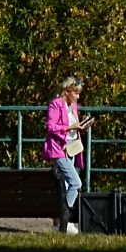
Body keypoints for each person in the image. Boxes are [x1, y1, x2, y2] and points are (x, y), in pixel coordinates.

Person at [44, 75, 92, 234]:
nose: (78, 97)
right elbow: (51, 127)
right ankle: (64, 218)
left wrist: (80, 128)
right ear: (68, 91)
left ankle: (60, 222)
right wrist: (69, 128)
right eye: (76, 93)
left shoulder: (73, 106)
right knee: (76, 183)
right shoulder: (56, 104)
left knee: (67, 185)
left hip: (72, 148)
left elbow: (72, 126)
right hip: (59, 150)